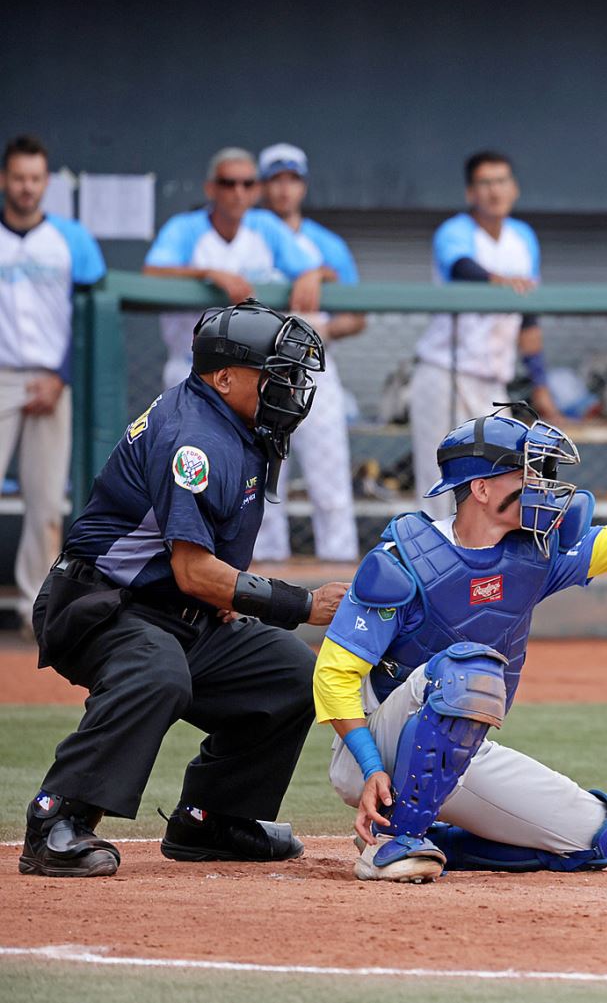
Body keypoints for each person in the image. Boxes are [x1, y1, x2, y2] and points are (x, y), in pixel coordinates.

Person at [312, 399, 607, 883]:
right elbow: (332, 676)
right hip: (374, 748)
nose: (543, 487)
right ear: (480, 488)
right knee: (469, 670)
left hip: (452, 754)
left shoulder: (533, 554)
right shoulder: (403, 560)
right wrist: (370, 765)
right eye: (527, 474)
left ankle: (434, 839)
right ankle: (396, 842)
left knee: (601, 839)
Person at [21, 302, 348, 877]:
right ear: (224, 378)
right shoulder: (192, 440)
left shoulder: (236, 422)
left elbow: (204, 572)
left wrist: (230, 597)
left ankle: (212, 818)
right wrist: (302, 604)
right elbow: (194, 571)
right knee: (157, 672)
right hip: (101, 603)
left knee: (293, 676)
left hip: (175, 606)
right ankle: (57, 820)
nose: (290, 387)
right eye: (275, 373)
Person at [409, 151, 564, 519]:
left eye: (501, 181)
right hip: (444, 372)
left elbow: (528, 319)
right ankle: (428, 564)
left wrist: (540, 383)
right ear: (470, 192)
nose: (494, 190)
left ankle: (481, 563)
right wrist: (501, 282)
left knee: (497, 478)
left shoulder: (523, 237)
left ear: (514, 189)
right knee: (437, 481)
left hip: (494, 380)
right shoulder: (455, 231)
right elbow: (462, 267)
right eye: (485, 182)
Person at [1, 135, 105, 613]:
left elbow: (88, 316)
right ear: (5, 179)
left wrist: (60, 376)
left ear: (46, 182)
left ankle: (33, 608)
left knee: (45, 504)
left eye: (35, 178)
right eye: (19, 177)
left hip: (50, 377)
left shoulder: (70, 238)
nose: (27, 187)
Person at [253, 142, 363, 563]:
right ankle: (263, 581)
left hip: (312, 367)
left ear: (303, 185)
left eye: (292, 180)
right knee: (260, 479)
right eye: (275, 180)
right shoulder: (252, 234)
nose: (284, 190)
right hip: (259, 368)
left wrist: (315, 331)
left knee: (330, 477)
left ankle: (341, 578)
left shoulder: (325, 243)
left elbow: (357, 317)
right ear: (262, 186)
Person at [144, 147, 325, 391]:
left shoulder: (266, 226)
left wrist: (312, 274)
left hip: (256, 369)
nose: (238, 192)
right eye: (228, 183)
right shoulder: (185, 228)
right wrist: (209, 273)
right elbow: (152, 272)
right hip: (192, 365)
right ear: (211, 189)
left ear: (256, 190)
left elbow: (322, 270)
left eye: (247, 184)